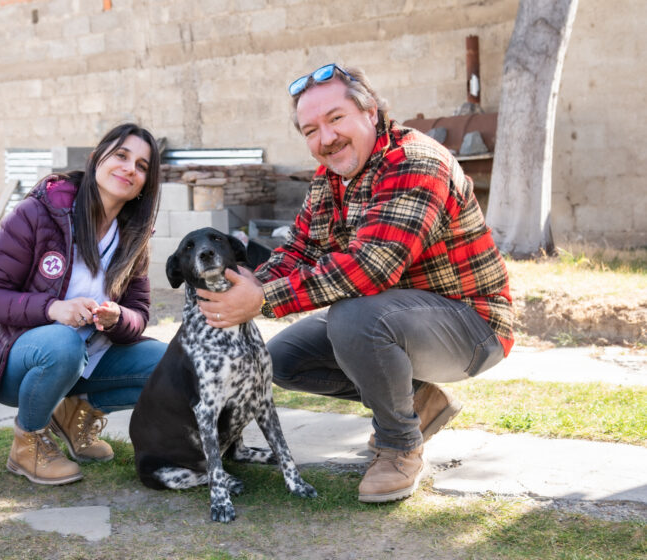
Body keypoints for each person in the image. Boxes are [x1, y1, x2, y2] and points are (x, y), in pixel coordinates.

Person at [196, 64, 513, 503]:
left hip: (472, 327)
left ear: (371, 111)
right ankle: (420, 402)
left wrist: (262, 299)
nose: (325, 139)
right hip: (395, 318)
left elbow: (371, 268)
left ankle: (400, 446)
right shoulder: (330, 180)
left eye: (336, 119)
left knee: (354, 314)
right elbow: (299, 250)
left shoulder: (415, 161)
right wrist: (239, 288)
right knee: (283, 360)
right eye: (311, 130)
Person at [0, 123, 168, 485]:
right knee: (63, 341)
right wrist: (52, 309)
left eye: (141, 166)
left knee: (168, 365)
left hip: (88, 360)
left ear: (145, 184)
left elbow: (140, 313)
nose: (129, 169)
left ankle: (76, 413)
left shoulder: (134, 236)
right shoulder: (38, 213)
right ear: (95, 160)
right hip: (21, 360)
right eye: (121, 155)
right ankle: (28, 441)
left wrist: (118, 316)